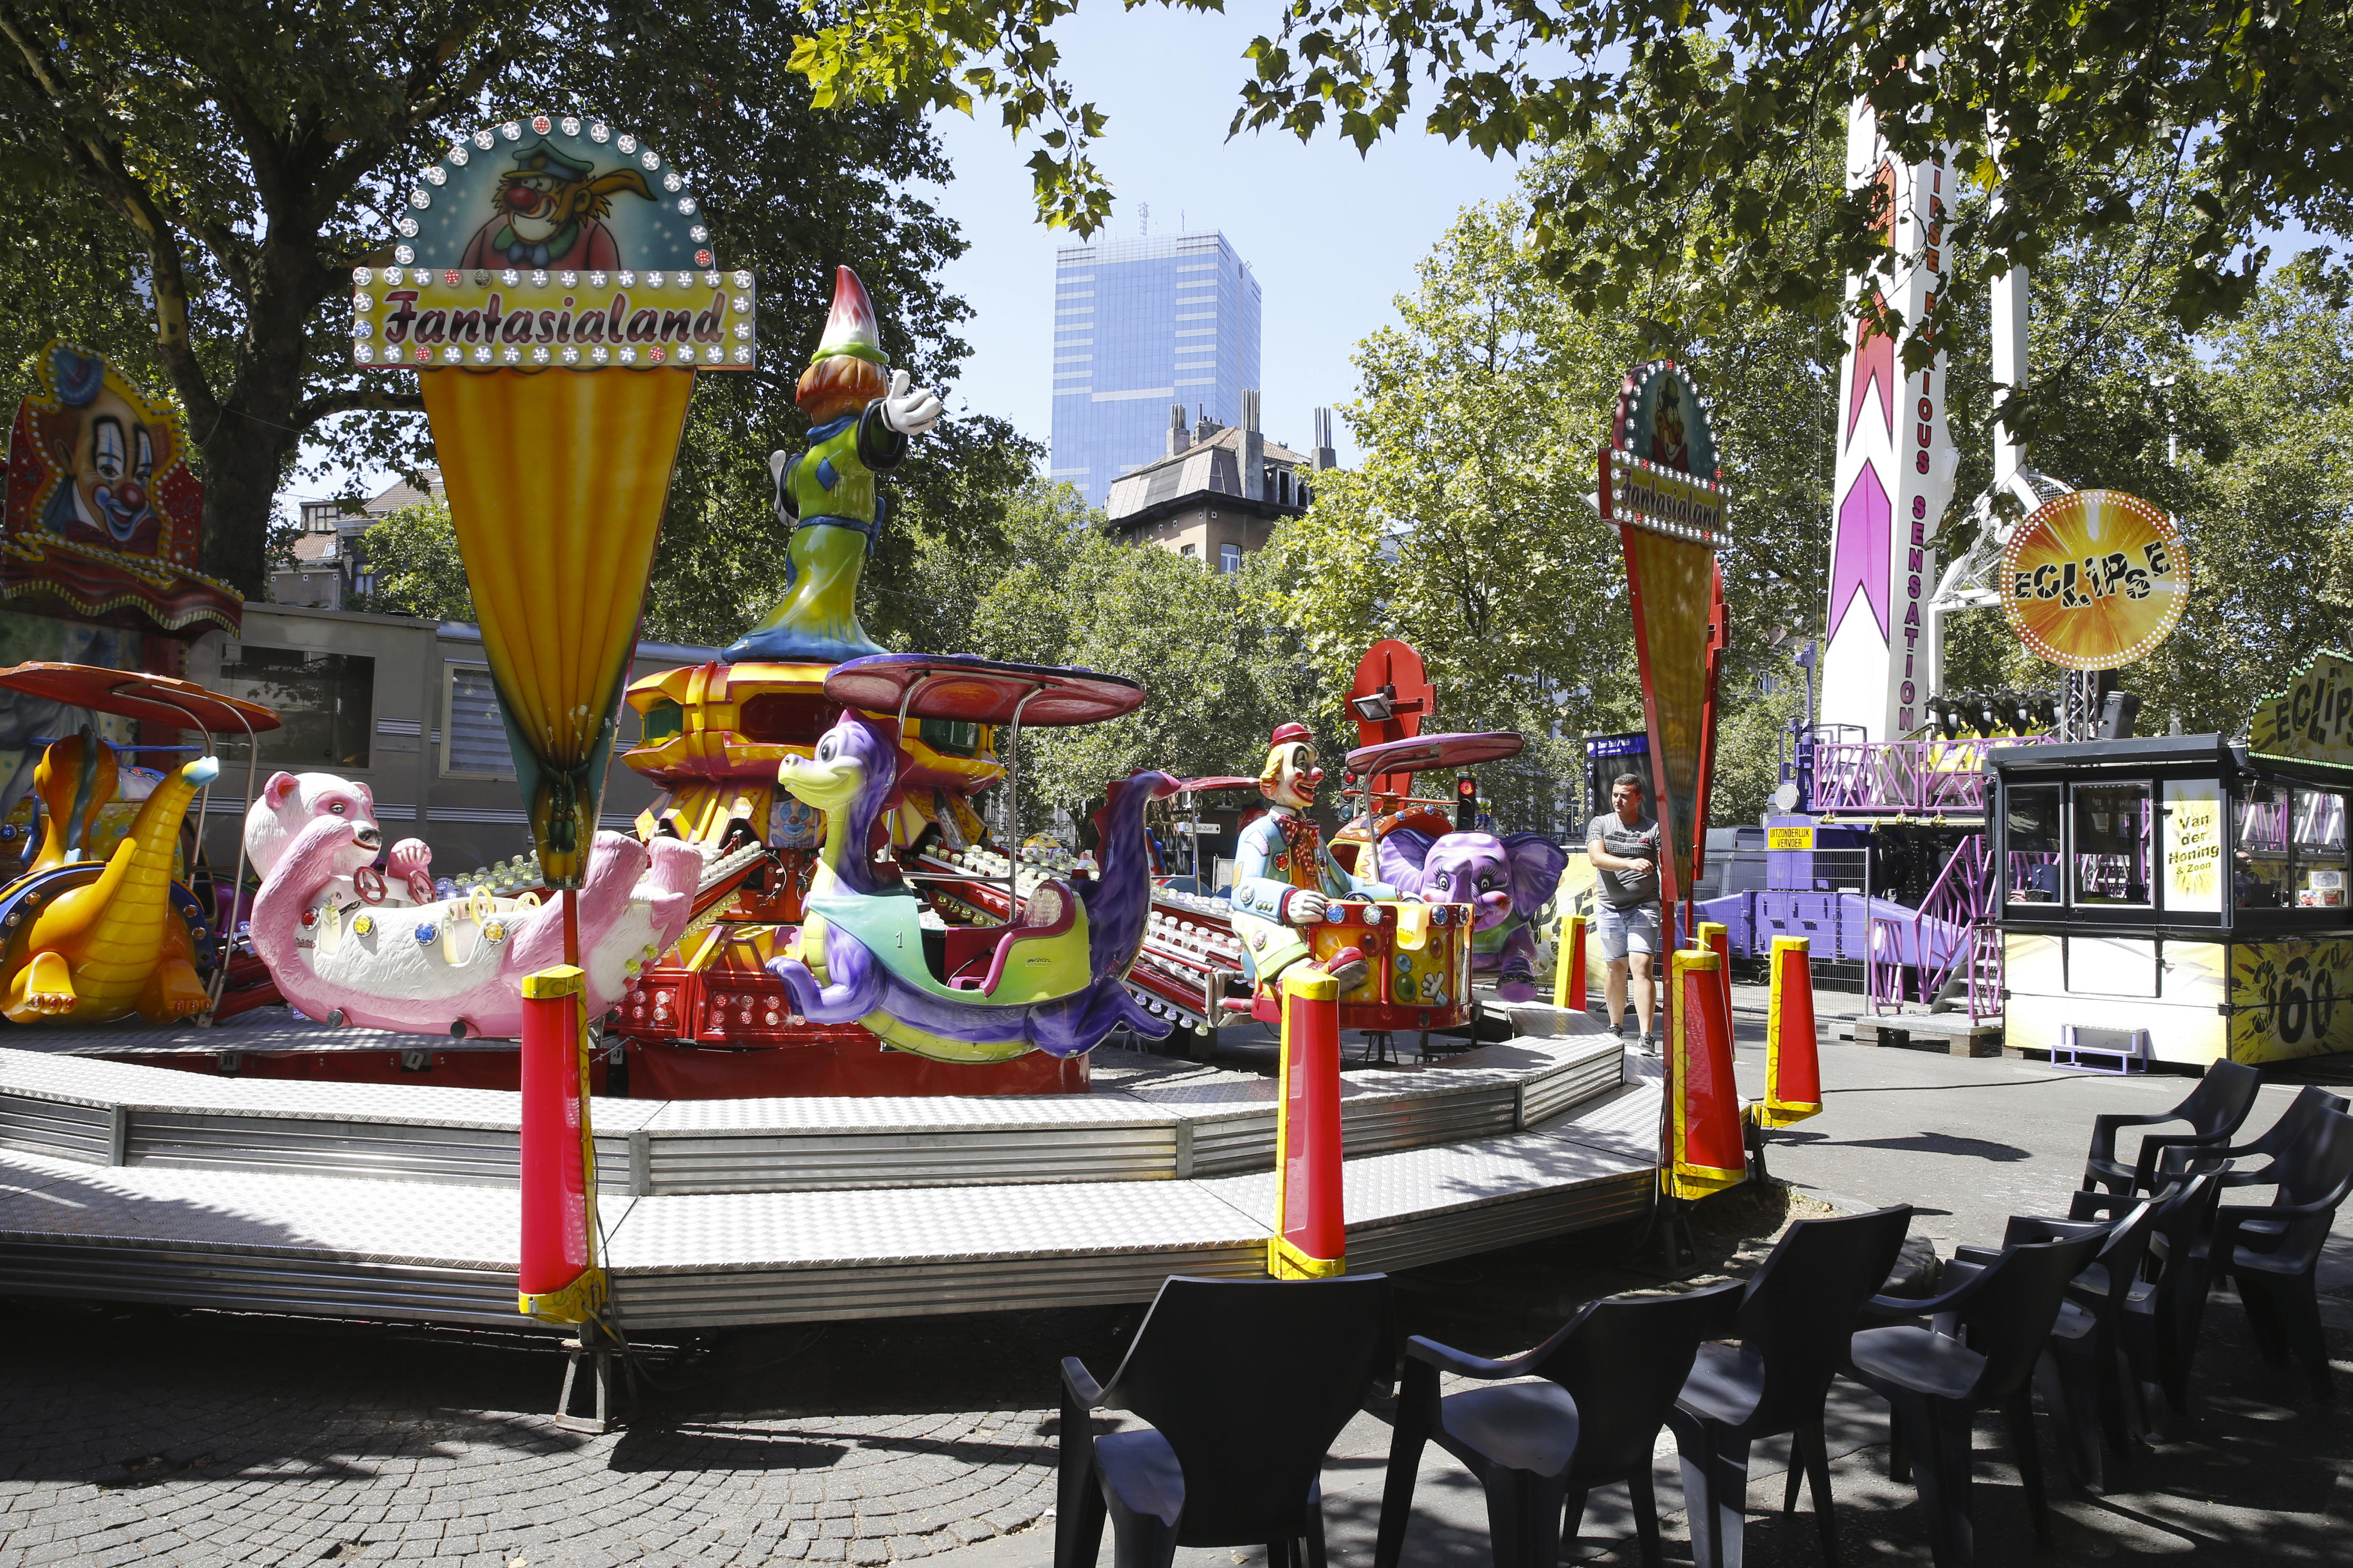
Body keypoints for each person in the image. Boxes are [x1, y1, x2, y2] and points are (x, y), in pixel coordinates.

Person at [1229, 724, 1395, 992]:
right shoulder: (1260, 833)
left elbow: (1347, 884)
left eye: (1315, 765)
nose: (1316, 774)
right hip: (1271, 935)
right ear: (1275, 775)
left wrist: (1399, 894)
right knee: (1251, 920)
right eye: (1303, 765)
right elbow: (1244, 890)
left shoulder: (1312, 837)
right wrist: (1288, 901)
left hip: (1319, 933)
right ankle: (1294, 970)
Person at [1588, 773, 1663, 1050]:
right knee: (1615, 968)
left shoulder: (1652, 829)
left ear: (1638, 799)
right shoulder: (1600, 823)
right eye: (1615, 794)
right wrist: (1631, 863)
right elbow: (1597, 858)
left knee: (1641, 967)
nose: (1618, 800)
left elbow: (1666, 865)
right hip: (1609, 908)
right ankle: (1615, 1027)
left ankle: (1647, 1035)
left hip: (1645, 907)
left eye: (1625, 796)